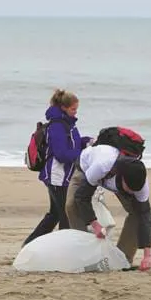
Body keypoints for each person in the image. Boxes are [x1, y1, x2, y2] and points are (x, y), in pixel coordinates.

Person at [66, 142, 151, 271]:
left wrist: (147, 255)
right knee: (71, 205)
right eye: (130, 189)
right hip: (85, 168)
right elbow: (82, 197)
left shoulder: (140, 185)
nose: (132, 193)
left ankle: (122, 260)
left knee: (137, 212)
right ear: (122, 178)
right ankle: (83, 254)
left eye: (136, 190)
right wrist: (95, 224)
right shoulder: (101, 167)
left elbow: (145, 215)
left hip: (114, 180)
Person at [23, 89, 91, 245]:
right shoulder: (57, 126)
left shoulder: (68, 124)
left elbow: (73, 143)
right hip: (57, 177)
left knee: (55, 214)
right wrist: (82, 155)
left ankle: (29, 244)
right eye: (73, 109)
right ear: (64, 108)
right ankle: (64, 248)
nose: (75, 112)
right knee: (66, 214)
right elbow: (62, 154)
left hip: (62, 176)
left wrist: (86, 141)